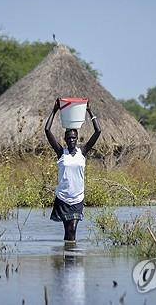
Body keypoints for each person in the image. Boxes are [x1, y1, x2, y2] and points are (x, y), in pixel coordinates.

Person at [45, 98, 101, 244]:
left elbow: (98, 131)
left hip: (77, 198)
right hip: (63, 197)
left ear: (77, 139)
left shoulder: (83, 151)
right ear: (65, 139)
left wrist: (89, 111)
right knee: (67, 231)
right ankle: (67, 260)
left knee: (73, 229)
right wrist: (54, 110)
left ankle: (72, 261)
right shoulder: (60, 152)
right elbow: (47, 130)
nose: (71, 140)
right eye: (69, 138)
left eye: (74, 138)